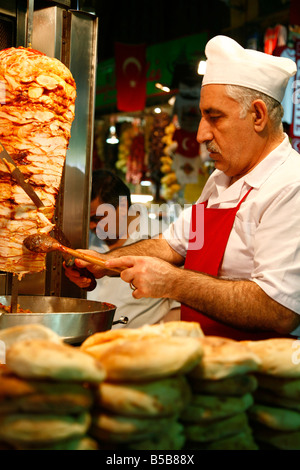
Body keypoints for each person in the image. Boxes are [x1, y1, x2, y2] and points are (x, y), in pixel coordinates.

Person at [65, 36, 300, 340]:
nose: (201, 133)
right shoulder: (221, 179)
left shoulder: (290, 185)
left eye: (215, 118)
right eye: (203, 116)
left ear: (257, 115)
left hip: (258, 374)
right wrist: (104, 264)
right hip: (206, 360)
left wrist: (173, 282)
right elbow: (172, 245)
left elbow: (279, 311)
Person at [65, 169, 180, 328]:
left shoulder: (167, 241)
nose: (92, 225)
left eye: (97, 218)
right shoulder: (87, 238)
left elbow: (179, 311)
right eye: (88, 219)